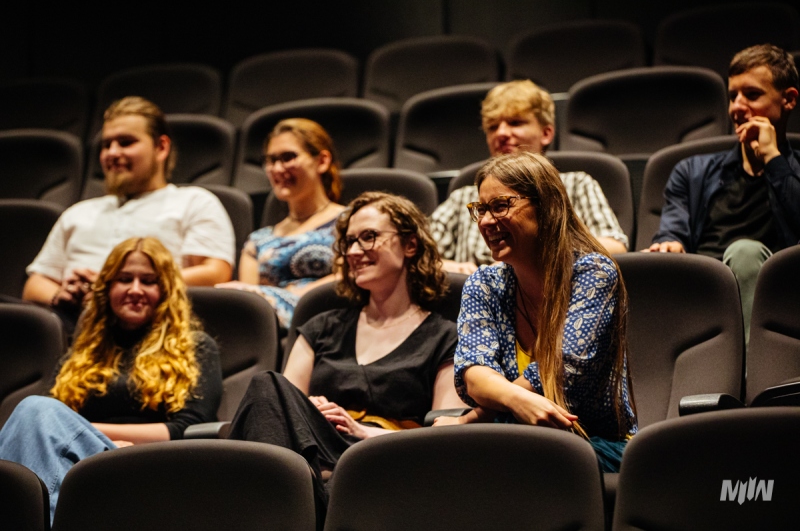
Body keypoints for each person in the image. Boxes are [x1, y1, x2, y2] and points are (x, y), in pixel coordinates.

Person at [227, 192, 465, 517]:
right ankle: (308, 491)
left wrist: (364, 432)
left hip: (386, 460)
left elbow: (446, 436)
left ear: (410, 244)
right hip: (315, 451)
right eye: (349, 241)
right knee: (267, 387)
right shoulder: (321, 327)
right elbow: (283, 408)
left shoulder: (445, 336)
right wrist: (312, 408)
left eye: (369, 237)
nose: (353, 251)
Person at [438, 151, 637, 473]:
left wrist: (475, 419)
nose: (485, 221)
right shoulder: (484, 283)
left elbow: (562, 370)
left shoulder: (593, 273)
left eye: (500, 206)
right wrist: (516, 402)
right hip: (511, 439)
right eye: (481, 209)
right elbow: (474, 374)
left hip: (594, 444)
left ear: (545, 207)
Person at [0, 237, 223, 522]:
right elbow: (50, 418)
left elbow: (189, 428)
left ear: (166, 290)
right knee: (34, 418)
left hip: (150, 464)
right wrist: (76, 434)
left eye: (148, 281)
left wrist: (77, 431)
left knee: (35, 410)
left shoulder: (196, 346)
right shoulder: (84, 350)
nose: (135, 290)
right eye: (125, 279)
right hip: (82, 466)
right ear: (107, 287)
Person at [22, 96, 235, 332]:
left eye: (125, 142)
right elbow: (34, 285)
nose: (112, 153)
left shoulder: (194, 202)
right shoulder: (78, 212)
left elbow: (215, 273)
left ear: (161, 147)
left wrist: (112, 286)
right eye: (106, 145)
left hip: (152, 326)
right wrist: (60, 294)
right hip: (74, 324)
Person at [646, 44, 800, 343]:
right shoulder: (691, 171)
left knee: (745, 253)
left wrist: (773, 158)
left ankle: (754, 369)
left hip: (780, 304)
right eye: (732, 96)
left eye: (751, 95)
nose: (736, 107)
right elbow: (672, 233)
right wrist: (669, 245)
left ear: (789, 99)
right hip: (704, 298)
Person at [431, 80, 628, 275]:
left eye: (515, 123)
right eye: (492, 127)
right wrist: (456, 268)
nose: (501, 133)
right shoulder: (462, 197)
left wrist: (522, 261)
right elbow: (421, 253)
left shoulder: (577, 184)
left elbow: (614, 245)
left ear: (546, 133)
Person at [216, 119, 346, 329]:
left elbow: (350, 277)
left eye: (288, 158)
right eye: (271, 160)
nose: (277, 168)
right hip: (272, 329)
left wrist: (291, 296)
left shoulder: (350, 221)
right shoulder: (258, 241)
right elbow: (248, 305)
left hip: (329, 319)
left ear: (322, 161)